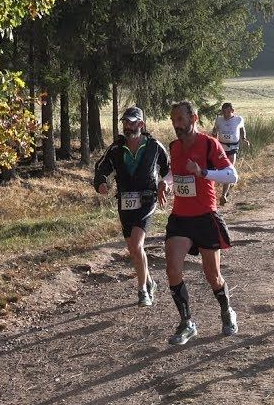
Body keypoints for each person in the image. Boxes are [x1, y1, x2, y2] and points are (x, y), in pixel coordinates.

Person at [164, 100, 239, 345]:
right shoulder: (174, 147)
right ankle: (187, 322)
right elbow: (174, 172)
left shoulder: (209, 144)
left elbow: (232, 175)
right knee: (172, 269)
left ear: (194, 119)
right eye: (174, 119)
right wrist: (165, 182)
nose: (177, 124)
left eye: (181, 119)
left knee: (212, 275)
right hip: (180, 218)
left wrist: (204, 173)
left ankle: (227, 309)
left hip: (205, 217)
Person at [93, 106, 170, 307]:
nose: (128, 126)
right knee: (133, 250)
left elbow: (169, 169)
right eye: (125, 122)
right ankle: (150, 282)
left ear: (141, 124)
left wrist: (166, 185)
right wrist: (100, 182)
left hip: (147, 200)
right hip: (125, 202)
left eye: (132, 122)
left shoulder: (154, 146)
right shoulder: (117, 149)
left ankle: (142, 290)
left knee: (137, 244)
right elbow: (101, 167)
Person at [211, 102, 249, 205]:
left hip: (233, 147)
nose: (226, 114)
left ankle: (223, 195)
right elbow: (215, 131)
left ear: (232, 111)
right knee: (220, 169)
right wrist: (214, 135)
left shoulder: (238, 119)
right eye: (224, 112)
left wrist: (244, 138)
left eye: (228, 112)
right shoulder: (219, 120)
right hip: (221, 147)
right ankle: (230, 183)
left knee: (228, 169)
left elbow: (242, 128)